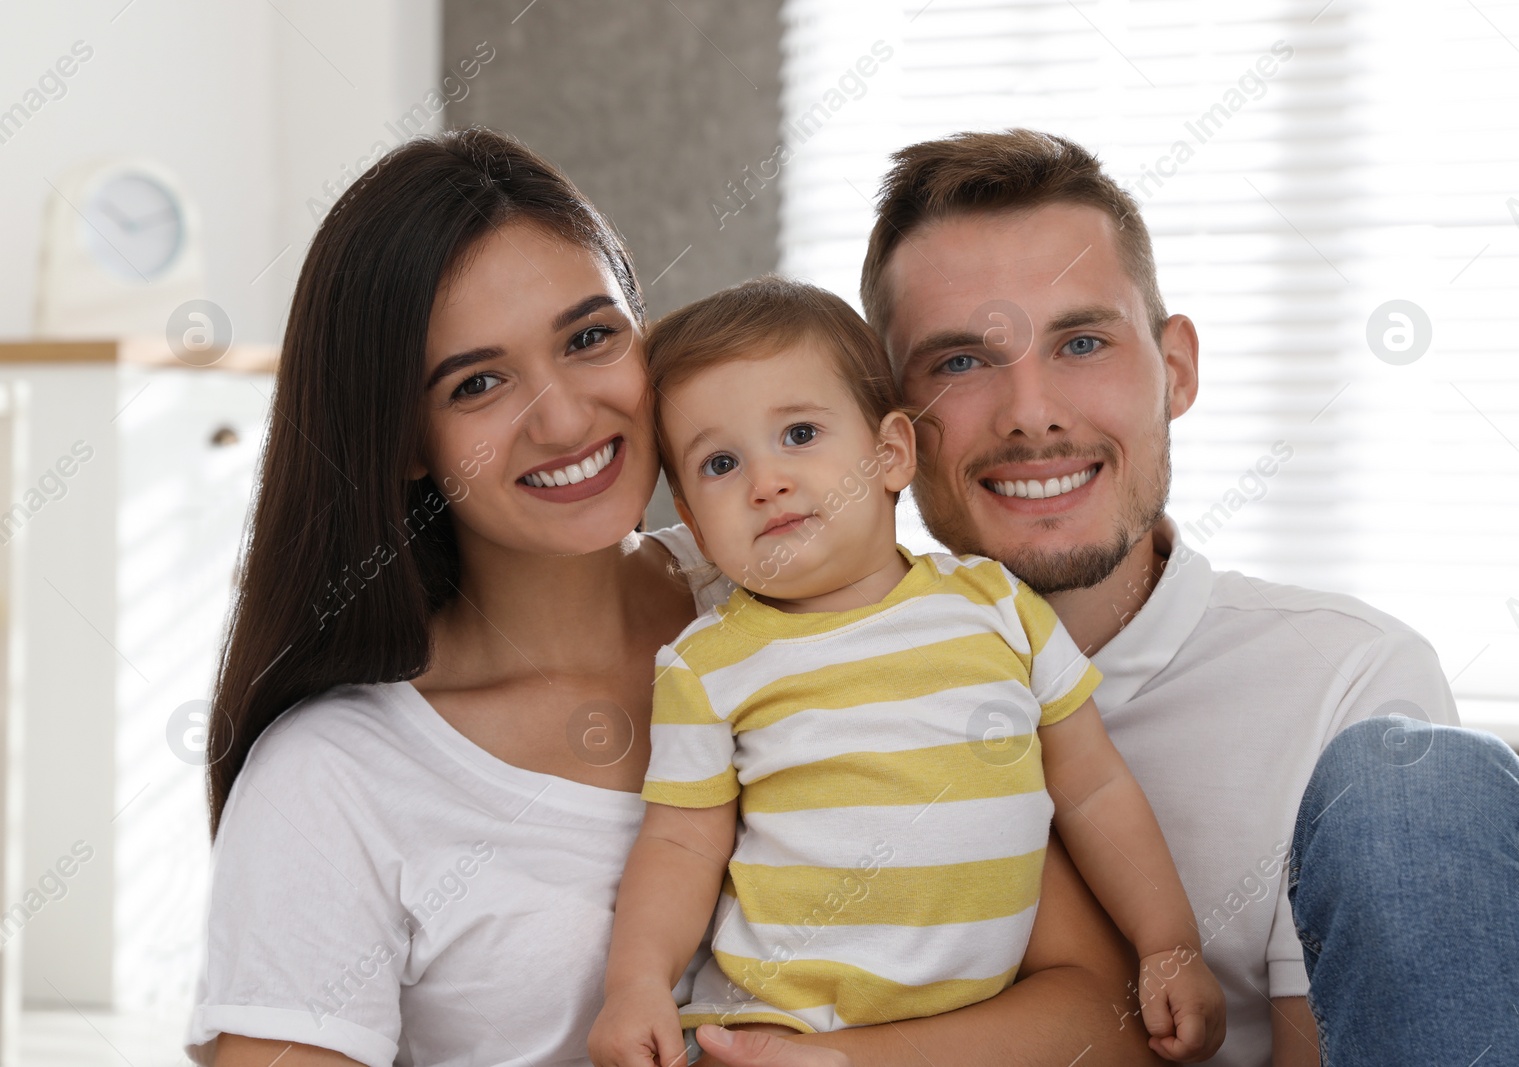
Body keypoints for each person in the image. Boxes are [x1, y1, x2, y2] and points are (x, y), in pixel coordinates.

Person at [183, 127, 1164, 1067]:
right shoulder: (335, 777)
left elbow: (1098, 1015)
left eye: (590, 337)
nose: (563, 416)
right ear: (401, 441)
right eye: (478, 383)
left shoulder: (819, 594)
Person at [849, 127, 1519, 1065]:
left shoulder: (1343, 678)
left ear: (1178, 369)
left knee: (1415, 787)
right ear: (887, 426)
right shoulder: (808, 667)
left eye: (1082, 341)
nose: (1030, 410)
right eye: (960, 361)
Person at [587, 277, 1224, 1067]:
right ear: (691, 524)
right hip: (773, 1029)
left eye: (799, 434)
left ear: (891, 452)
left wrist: (1169, 943)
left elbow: (1093, 786)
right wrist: (636, 982)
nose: (766, 480)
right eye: (720, 462)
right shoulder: (707, 663)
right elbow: (681, 845)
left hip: (982, 1027)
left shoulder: (997, 606)